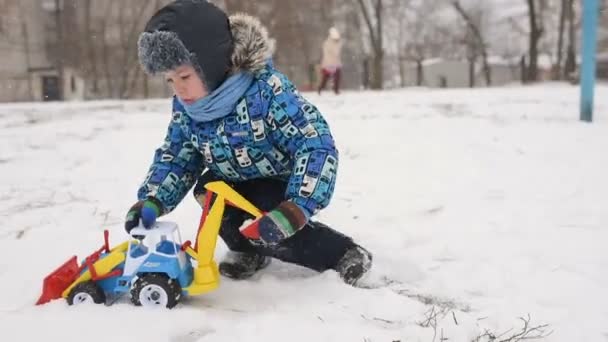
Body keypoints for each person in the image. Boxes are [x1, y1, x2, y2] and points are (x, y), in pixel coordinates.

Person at [124, 0, 372, 286]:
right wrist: (153, 199)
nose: (178, 88)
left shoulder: (266, 93)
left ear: (212, 65)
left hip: (279, 184)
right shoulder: (188, 109)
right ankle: (246, 249)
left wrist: (298, 205)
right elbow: (178, 156)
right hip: (233, 181)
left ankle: (341, 254)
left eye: (184, 76)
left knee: (271, 217)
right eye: (169, 80)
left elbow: (314, 143)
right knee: (209, 191)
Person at [318, 27, 343, 95]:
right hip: (328, 63)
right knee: (326, 78)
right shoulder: (328, 43)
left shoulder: (336, 43)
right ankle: (321, 88)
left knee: (336, 76)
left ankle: (335, 89)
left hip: (335, 63)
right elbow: (335, 52)